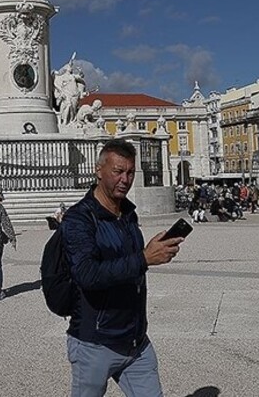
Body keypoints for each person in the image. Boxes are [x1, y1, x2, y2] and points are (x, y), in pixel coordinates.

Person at [61, 138, 183, 397]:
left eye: (130, 172)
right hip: (95, 342)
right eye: (118, 171)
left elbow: (130, 265)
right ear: (99, 170)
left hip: (135, 341)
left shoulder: (128, 213)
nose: (125, 179)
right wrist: (143, 259)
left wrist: (151, 253)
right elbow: (87, 274)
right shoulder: (78, 219)